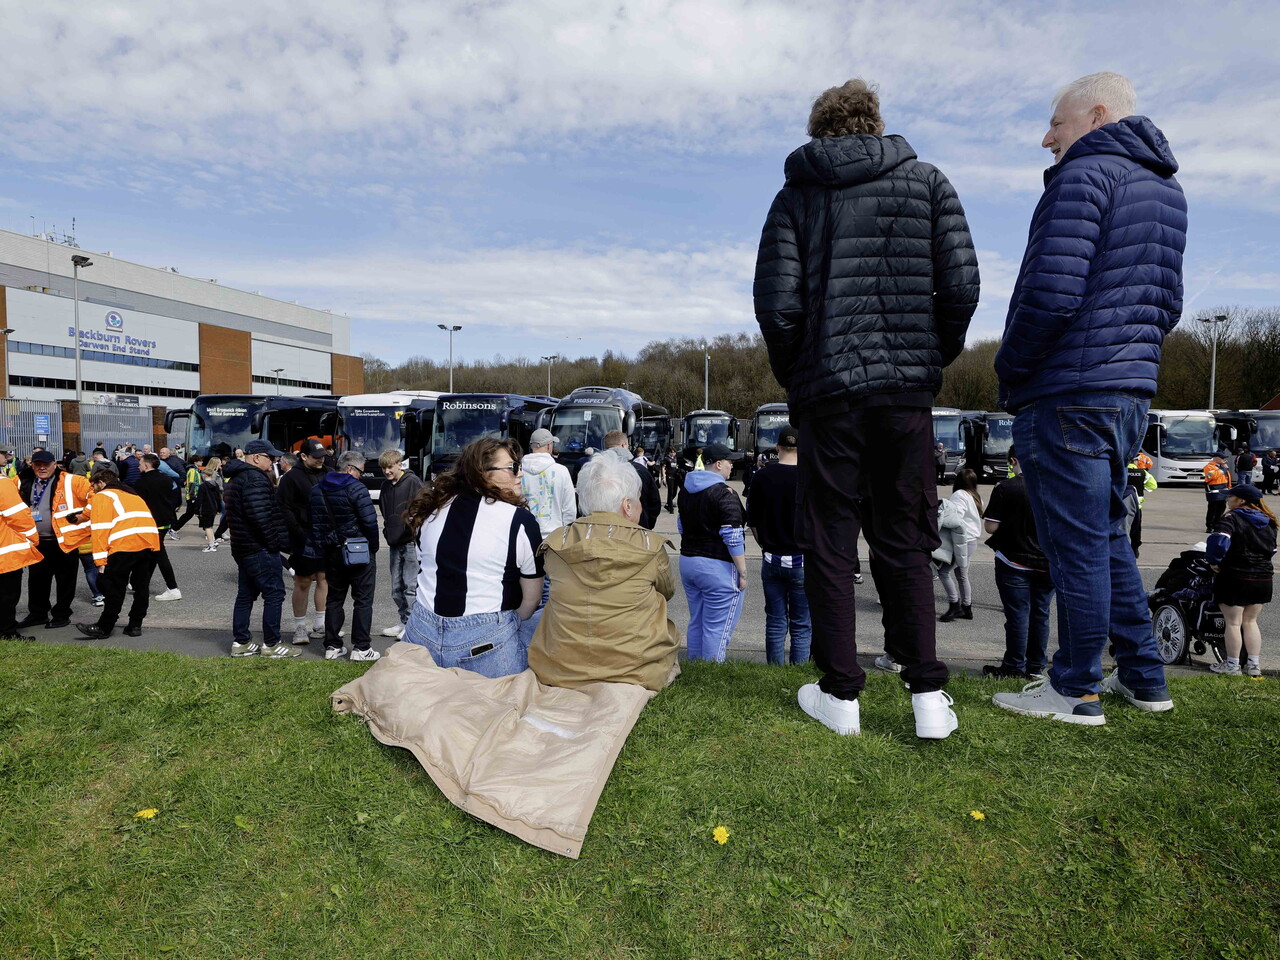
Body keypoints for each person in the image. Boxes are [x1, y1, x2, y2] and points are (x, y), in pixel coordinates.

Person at [753, 77, 976, 738]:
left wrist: (801, 375)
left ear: (819, 129)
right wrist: (928, 357)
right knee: (906, 536)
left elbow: (777, 305)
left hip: (829, 392)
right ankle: (927, 695)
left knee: (829, 539)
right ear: (875, 122)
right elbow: (961, 286)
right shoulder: (928, 183)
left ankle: (842, 693)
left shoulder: (796, 197)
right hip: (903, 392)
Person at [992, 72, 1186, 724]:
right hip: (1127, 392)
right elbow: (1168, 304)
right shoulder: (1165, 189)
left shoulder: (1082, 176)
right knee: (1104, 538)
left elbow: (1051, 293)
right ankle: (1145, 678)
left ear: (1097, 115)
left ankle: (1074, 688)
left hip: (1067, 391)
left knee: (1075, 549)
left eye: (1057, 122)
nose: (1047, 138)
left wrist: (1010, 367)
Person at [528, 453, 680, 691]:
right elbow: (667, 592)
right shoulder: (650, 545)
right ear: (627, 505)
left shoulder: (557, 542)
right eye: (639, 500)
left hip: (561, 668)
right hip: (635, 670)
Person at [401, 438, 544, 677]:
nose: (520, 474)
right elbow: (531, 600)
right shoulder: (519, 520)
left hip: (421, 634)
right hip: (484, 643)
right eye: (512, 467)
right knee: (548, 615)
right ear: (482, 473)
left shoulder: (431, 509)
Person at [980, 446, 1056, 679]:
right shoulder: (1057, 486)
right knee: (1041, 614)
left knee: (1018, 616)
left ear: (1014, 460)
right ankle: (1035, 667)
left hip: (1014, 562)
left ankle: (1014, 666)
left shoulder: (1006, 487)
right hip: (1048, 563)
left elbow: (990, 527)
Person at [223, 439, 298, 658]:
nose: (273, 461)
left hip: (242, 545)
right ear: (256, 458)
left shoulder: (236, 477)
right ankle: (272, 644)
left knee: (245, 595)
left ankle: (241, 642)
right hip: (259, 547)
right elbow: (261, 517)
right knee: (274, 594)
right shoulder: (255, 478)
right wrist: (274, 544)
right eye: (270, 457)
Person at [306, 451, 381, 662]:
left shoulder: (316, 490)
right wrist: (373, 547)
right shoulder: (357, 488)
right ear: (350, 469)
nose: (361, 475)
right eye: (360, 471)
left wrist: (322, 548)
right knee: (363, 600)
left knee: (334, 599)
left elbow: (314, 525)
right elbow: (369, 522)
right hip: (358, 551)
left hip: (331, 551)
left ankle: (332, 646)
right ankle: (362, 648)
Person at [677, 442, 747, 662]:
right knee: (717, 627)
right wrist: (742, 572)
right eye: (729, 462)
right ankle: (712, 673)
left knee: (697, 621)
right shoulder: (725, 494)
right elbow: (733, 536)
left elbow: (681, 526)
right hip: (718, 566)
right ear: (718, 464)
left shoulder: (686, 490)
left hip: (688, 561)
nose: (731, 466)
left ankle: (695, 668)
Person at [746, 426, 810, 665]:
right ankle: (798, 669)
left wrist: (765, 545)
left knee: (775, 620)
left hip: (772, 557)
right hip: (802, 559)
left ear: (777, 447)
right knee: (801, 623)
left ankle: (774, 668)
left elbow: (752, 521)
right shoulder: (810, 477)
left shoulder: (762, 476)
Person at [75, 466, 160, 639]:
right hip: (148, 543)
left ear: (101, 483)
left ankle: (104, 627)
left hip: (124, 545)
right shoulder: (131, 495)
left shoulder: (103, 496)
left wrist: (100, 561)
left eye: (93, 486)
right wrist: (80, 517)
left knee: (115, 588)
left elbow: (100, 529)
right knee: (141, 587)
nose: (93, 490)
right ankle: (135, 625)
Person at [1206, 484, 1275, 677]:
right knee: (1251, 621)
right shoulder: (1269, 521)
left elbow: (1218, 543)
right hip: (1263, 577)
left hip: (1236, 576)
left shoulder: (1231, 519)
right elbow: (1272, 550)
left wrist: (1214, 562)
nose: (1227, 499)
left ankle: (1232, 666)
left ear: (1241, 500)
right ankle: (1254, 666)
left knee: (1233, 623)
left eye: (1230, 496)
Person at [18, 450, 90, 631]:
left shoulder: (72, 481)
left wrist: (83, 516)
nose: (42, 468)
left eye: (46, 464)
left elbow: (96, 496)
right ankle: (38, 614)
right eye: (38, 464)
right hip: (37, 542)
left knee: (65, 581)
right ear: (32, 465)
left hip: (65, 542)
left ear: (54, 465)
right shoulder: (22, 481)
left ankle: (61, 614)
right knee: (37, 580)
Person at [277, 438, 331, 644]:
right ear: (303, 456)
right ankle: (300, 628)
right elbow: (284, 508)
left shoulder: (329, 473)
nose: (320, 460)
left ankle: (320, 624)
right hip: (302, 537)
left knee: (324, 578)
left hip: (326, 537)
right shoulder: (291, 477)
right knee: (303, 581)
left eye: (322, 456)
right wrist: (299, 533)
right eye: (316, 457)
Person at [377, 447, 424, 640]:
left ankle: (412, 625)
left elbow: (424, 506)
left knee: (410, 586)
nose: (387, 471)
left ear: (399, 464)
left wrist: (413, 526)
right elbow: (384, 509)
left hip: (410, 542)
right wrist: (388, 530)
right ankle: (404, 621)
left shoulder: (413, 482)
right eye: (384, 468)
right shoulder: (385, 486)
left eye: (390, 467)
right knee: (396, 588)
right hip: (394, 542)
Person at [0, 473, 43, 641]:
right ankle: (7, 632)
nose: (6, 459)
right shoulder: (3, 483)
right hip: (6, 552)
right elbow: (18, 515)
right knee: (7, 595)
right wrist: (32, 539)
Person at [135, 454, 182, 602]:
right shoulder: (166, 479)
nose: (138, 466)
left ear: (146, 466)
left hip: (151, 522)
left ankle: (173, 588)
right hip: (166, 519)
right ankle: (139, 583)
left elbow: (138, 504)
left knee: (159, 554)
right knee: (154, 552)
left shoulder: (142, 483)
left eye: (140, 464)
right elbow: (174, 496)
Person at [937, 469, 983, 622]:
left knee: (943, 572)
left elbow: (955, 517)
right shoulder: (975, 496)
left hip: (962, 541)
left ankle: (954, 605)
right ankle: (966, 608)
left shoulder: (959, 495)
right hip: (971, 541)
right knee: (962, 575)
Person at [520, 428, 576, 538]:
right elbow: (569, 509)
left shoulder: (519, 471)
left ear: (532, 446)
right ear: (549, 446)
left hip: (525, 535)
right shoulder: (561, 471)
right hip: (554, 537)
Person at [601, 430, 661, 529]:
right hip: (637, 528)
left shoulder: (595, 470)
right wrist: (646, 523)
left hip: (604, 529)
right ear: (624, 445)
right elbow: (654, 501)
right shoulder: (640, 470)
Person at [1126, 451, 1158, 559]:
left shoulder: (1120, 471)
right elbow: (1153, 486)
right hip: (1137, 507)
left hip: (1120, 505)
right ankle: (1134, 550)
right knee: (1136, 530)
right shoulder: (1143, 473)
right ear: (1135, 461)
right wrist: (1142, 486)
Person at [170, 455, 204, 537]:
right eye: (200, 461)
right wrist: (192, 497)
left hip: (194, 495)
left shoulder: (195, 470)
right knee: (190, 514)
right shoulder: (193, 471)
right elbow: (192, 484)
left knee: (195, 514)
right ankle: (174, 528)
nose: (202, 462)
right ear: (195, 462)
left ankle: (207, 529)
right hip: (193, 496)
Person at [197, 458, 224, 552]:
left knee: (207, 527)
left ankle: (211, 545)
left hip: (206, 508)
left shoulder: (203, 486)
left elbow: (199, 499)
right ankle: (213, 541)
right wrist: (219, 508)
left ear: (204, 475)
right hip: (214, 507)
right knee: (210, 526)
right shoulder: (215, 485)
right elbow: (218, 498)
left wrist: (196, 510)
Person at [1203, 452, 1232, 533]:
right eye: (1223, 458)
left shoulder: (1222, 467)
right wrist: (1223, 469)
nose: (1225, 460)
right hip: (1214, 491)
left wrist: (1229, 489)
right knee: (1212, 509)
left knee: (1221, 509)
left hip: (1223, 491)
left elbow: (1227, 478)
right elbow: (1211, 476)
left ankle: (1217, 525)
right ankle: (1210, 526)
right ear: (1216, 458)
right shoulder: (1209, 467)